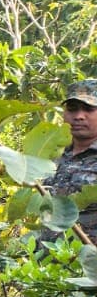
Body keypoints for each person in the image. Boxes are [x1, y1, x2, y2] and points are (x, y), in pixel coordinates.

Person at [46, 79, 97, 242]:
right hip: (46, 262)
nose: (79, 116)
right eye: (72, 109)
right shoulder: (53, 153)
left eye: (88, 109)